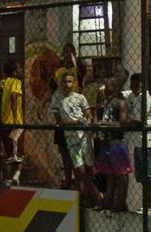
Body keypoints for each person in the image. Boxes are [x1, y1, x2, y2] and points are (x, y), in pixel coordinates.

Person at [51, 72, 101, 207]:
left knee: (89, 167)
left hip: (84, 135)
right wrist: (74, 122)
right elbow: (59, 121)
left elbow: (88, 115)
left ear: (74, 84)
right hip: (70, 137)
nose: (67, 85)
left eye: (69, 82)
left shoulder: (80, 97)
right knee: (79, 169)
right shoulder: (57, 99)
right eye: (64, 82)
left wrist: (85, 122)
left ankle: (87, 196)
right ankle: (91, 195)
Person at [95, 77, 132, 212]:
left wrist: (106, 125)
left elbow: (123, 123)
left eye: (108, 85)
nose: (106, 88)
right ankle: (108, 201)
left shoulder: (120, 102)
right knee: (108, 174)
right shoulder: (105, 103)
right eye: (105, 85)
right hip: (106, 142)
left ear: (116, 87)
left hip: (117, 142)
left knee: (121, 174)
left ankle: (121, 202)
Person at [125, 72, 151, 214]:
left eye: (137, 84)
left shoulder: (145, 98)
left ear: (143, 84)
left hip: (146, 141)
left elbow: (137, 120)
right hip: (137, 142)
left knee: (148, 175)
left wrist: (122, 123)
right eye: (132, 84)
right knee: (141, 176)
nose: (134, 87)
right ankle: (146, 203)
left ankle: (149, 204)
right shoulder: (132, 96)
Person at [0, 61, 25, 186]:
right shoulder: (16, 82)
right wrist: (15, 117)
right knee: (17, 155)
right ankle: (13, 178)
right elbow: (14, 96)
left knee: (10, 153)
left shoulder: (2, 83)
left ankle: (11, 179)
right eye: (19, 68)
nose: (21, 70)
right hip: (14, 123)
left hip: (3, 122)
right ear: (14, 72)